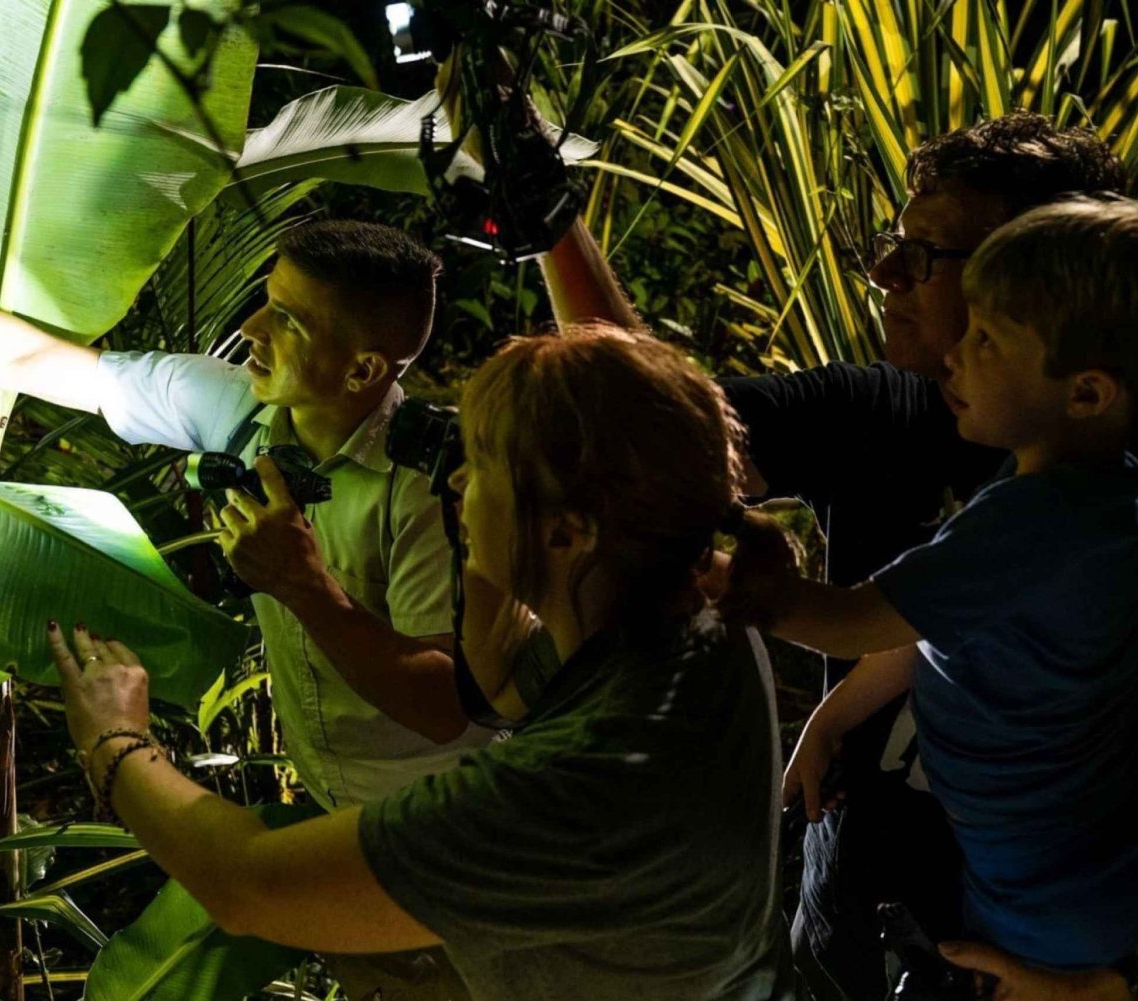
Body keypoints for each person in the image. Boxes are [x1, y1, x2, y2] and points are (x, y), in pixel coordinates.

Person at [542, 112, 1138, 1001]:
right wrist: (550, 223)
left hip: (1059, 953)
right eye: (893, 243)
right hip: (869, 924)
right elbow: (644, 432)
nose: (884, 274)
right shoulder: (882, 411)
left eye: (926, 254)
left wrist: (1126, 973)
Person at [0, 219, 489, 999]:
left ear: (363, 370)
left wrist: (308, 590)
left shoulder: (427, 492)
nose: (251, 329)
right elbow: (27, 356)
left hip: (455, 849)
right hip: (340, 822)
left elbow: (445, 702)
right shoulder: (238, 409)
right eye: (266, 301)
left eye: (286, 319)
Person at [49, 325, 797, 1001]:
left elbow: (250, 887)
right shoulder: (694, 616)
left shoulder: (568, 789)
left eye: (481, 467)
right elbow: (496, 688)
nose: (460, 483)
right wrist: (485, 548)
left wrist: (115, 738)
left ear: (568, 534)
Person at [732, 197, 1138, 999]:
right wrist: (832, 719)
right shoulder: (1097, 482)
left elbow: (854, 621)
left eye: (986, 341)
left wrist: (746, 578)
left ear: (1086, 392)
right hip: (1087, 864)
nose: (953, 358)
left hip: (1057, 905)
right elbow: (927, 630)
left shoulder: (1036, 522)